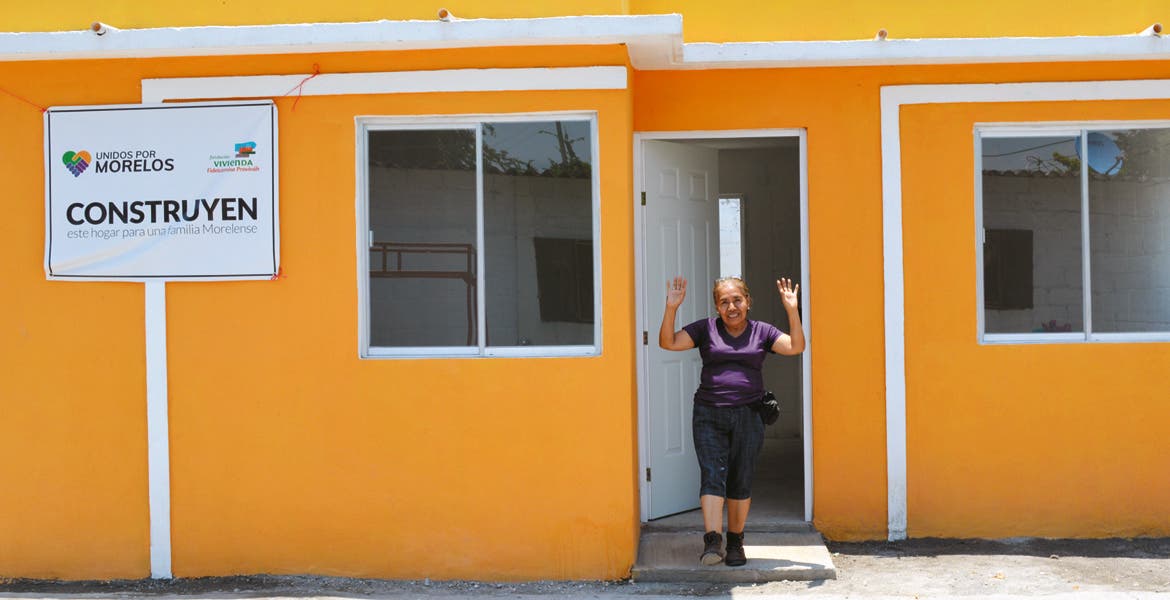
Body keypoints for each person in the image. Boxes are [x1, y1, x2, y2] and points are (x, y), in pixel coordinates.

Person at [658, 275, 805, 567]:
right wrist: (671, 307)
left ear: (748, 301)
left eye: (737, 300)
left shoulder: (762, 331)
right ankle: (713, 541)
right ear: (717, 307)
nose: (731, 307)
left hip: (750, 414)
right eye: (724, 302)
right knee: (712, 475)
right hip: (709, 413)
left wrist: (792, 310)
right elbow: (668, 342)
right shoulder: (705, 329)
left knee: (741, 478)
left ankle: (736, 542)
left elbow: (795, 346)